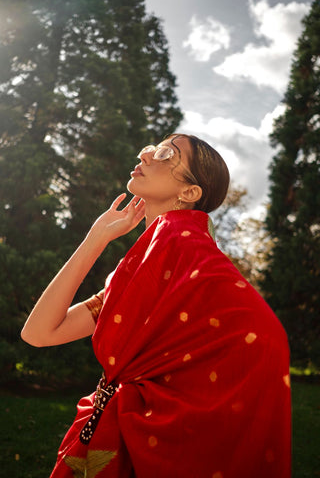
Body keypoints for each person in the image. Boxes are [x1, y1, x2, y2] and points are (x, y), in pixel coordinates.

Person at [21, 133, 291, 478]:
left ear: (190, 192)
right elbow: (39, 333)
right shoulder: (140, 271)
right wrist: (97, 237)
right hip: (110, 432)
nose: (146, 155)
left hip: (157, 440)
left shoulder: (191, 256)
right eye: (149, 148)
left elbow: (262, 334)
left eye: (165, 154)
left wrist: (159, 404)